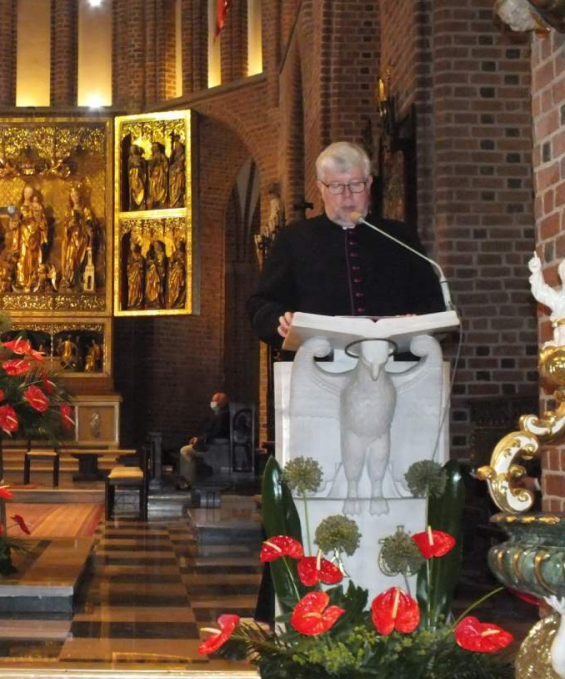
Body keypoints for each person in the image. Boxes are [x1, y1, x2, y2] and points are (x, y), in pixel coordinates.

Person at [246, 142, 445, 346]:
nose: (347, 195)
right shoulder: (293, 239)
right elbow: (261, 304)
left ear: (369, 184)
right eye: (335, 186)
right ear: (320, 188)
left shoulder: (399, 235)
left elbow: (432, 302)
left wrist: (415, 322)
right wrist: (281, 320)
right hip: (318, 359)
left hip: (394, 357)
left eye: (355, 184)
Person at [178, 392, 230, 489]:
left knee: (185, 451)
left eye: (214, 401)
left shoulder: (222, 415)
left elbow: (216, 433)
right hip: (214, 445)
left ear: (221, 402)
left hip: (214, 447)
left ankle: (188, 481)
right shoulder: (222, 413)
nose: (212, 403)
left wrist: (200, 439)